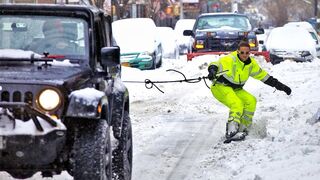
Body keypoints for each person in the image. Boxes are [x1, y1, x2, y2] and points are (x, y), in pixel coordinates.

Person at [207, 41, 291, 142]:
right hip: (220, 86)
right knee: (237, 104)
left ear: (250, 53)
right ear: (238, 52)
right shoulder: (230, 59)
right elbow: (215, 64)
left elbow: (264, 77)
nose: (244, 55)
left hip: (236, 88)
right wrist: (212, 71)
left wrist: (281, 86)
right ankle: (231, 131)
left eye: (247, 53)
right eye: (242, 52)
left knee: (251, 101)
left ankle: (243, 128)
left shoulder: (251, 64)